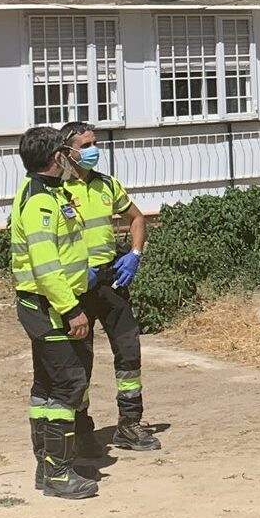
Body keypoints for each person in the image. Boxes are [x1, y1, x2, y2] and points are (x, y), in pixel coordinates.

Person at [8, 125, 98, 499]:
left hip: (49, 305)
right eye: (67, 152)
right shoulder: (40, 202)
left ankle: (47, 468)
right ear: (56, 157)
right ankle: (59, 473)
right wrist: (72, 309)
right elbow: (47, 267)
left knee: (46, 386)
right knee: (69, 384)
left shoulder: (47, 193)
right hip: (50, 308)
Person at [60, 120, 159, 454]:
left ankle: (129, 425)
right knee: (79, 360)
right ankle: (82, 430)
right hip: (76, 287)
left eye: (94, 143)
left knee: (129, 352)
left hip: (111, 281)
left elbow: (137, 218)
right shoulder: (55, 190)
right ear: (67, 150)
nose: (93, 150)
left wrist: (134, 254)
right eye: (85, 145)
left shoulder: (106, 185)